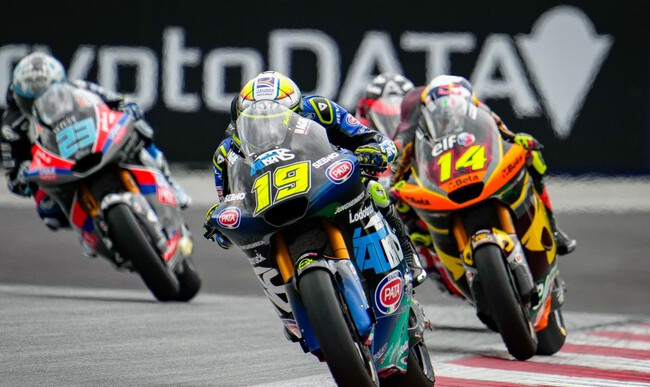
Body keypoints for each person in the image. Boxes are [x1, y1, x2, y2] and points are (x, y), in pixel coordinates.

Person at [204, 70, 427, 287]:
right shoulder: (226, 153)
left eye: (276, 118)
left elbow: (375, 139)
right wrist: (219, 223)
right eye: (256, 120)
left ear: (297, 110)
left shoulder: (321, 109)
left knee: (372, 188)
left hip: (323, 179)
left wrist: (376, 151)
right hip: (268, 206)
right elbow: (229, 203)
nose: (268, 128)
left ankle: (408, 254)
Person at [1, 51, 191, 234]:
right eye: (30, 101)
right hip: (56, 167)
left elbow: (119, 101)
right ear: (18, 98)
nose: (41, 105)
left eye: (48, 95)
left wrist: (127, 108)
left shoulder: (78, 88)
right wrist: (24, 175)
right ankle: (91, 234)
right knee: (50, 214)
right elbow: (13, 180)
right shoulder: (11, 128)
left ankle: (169, 182)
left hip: (94, 142)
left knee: (138, 128)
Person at [391, 74, 577, 256]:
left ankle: (553, 227)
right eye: (443, 114)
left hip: (474, 162)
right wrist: (395, 184)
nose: (451, 118)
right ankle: (427, 240)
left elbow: (502, 132)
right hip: (436, 169)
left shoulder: (479, 108)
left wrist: (518, 141)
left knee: (532, 155)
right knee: (400, 202)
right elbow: (400, 151)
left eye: (457, 110)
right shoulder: (414, 119)